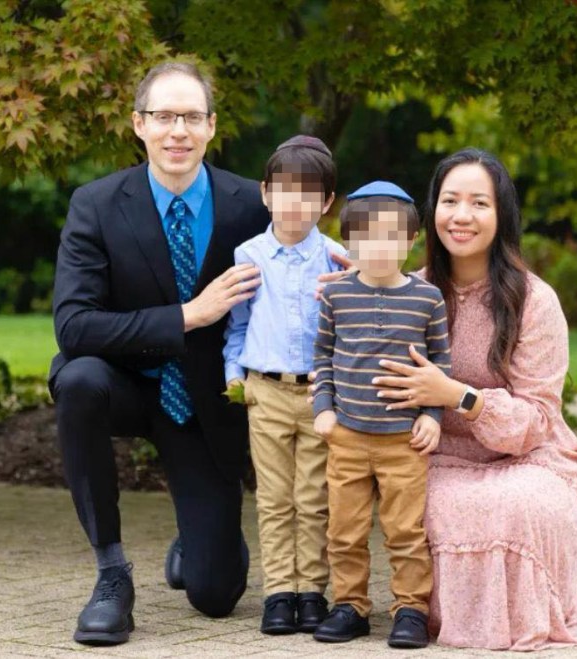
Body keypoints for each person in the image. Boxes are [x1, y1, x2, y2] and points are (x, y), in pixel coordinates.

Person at [369, 148, 577, 650]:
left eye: (479, 203)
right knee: (440, 503)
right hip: (438, 456)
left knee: (513, 505)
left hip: (531, 458)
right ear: (433, 212)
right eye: (450, 200)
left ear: (502, 215)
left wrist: (458, 396)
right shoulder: (411, 292)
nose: (462, 216)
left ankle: (518, 618)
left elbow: (538, 419)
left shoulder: (534, 300)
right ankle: (435, 616)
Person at [49, 61, 269, 646]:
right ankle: (111, 573)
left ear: (211, 126)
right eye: (164, 116)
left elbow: (300, 262)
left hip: (203, 402)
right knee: (78, 381)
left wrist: (349, 277)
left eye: (191, 117)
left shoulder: (251, 203)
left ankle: (197, 539)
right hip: (121, 385)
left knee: (216, 597)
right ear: (138, 124)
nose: (178, 131)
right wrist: (187, 316)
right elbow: (73, 326)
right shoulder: (95, 204)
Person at [311, 181, 451, 649]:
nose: (379, 247)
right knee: (343, 529)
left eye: (392, 237)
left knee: (405, 531)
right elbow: (323, 357)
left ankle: (410, 608)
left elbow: (440, 365)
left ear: (410, 241)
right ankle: (349, 605)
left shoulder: (427, 298)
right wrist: (324, 409)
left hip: (403, 441)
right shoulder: (336, 296)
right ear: (348, 240)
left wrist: (433, 414)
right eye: (366, 237)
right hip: (347, 435)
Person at [222, 135, 345, 635]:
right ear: (266, 193)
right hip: (266, 391)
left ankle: (311, 591)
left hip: (317, 395)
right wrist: (236, 377)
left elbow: (346, 327)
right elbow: (237, 323)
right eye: (284, 191)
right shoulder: (249, 254)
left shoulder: (337, 259)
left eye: (309, 194)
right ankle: (278, 592)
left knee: (314, 497)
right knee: (274, 497)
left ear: (327, 202)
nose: (295, 203)